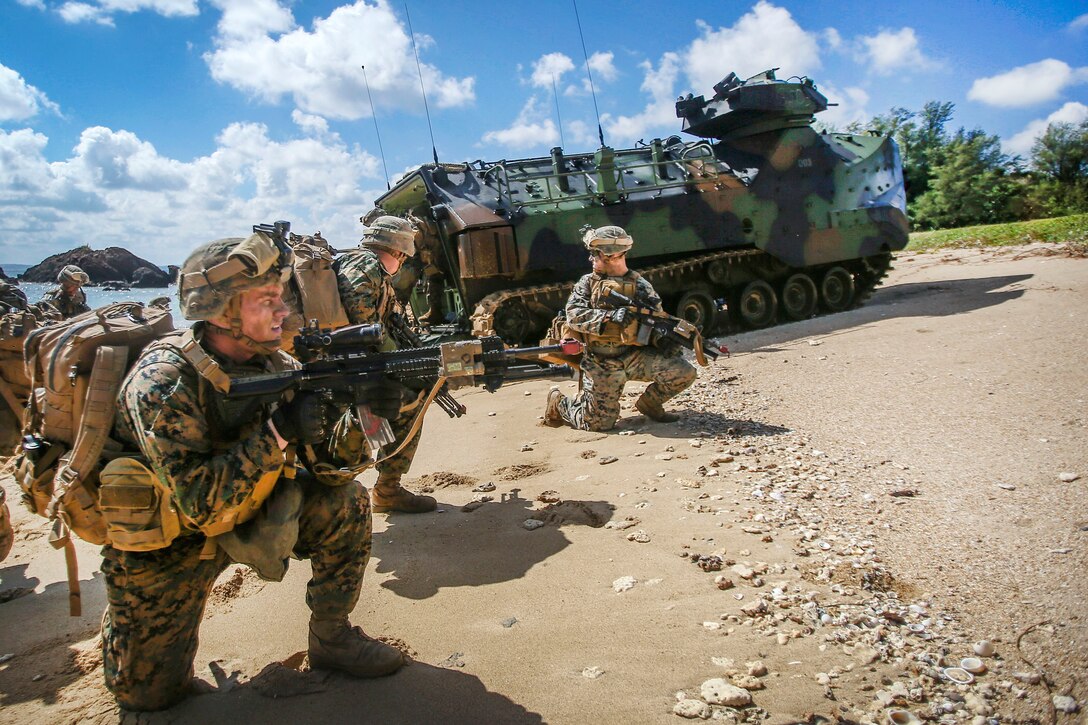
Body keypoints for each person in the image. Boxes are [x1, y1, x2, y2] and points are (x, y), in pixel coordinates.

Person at [102, 232, 406, 711]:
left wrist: (365, 414)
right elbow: (200, 505)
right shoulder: (162, 381)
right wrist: (280, 431)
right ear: (222, 312)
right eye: (267, 300)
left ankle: (331, 637)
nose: (283, 310)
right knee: (147, 696)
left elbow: (329, 472)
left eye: (281, 296)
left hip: (250, 506)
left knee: (346, 504)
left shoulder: (278, 363)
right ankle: (130, 630)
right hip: (170, 541)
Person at [544, 225, 696, 431]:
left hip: (633, 356)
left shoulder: (640, 285)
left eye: (594, 254)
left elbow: (656, 319)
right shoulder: (587, 284)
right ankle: (558, 402)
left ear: (609, 256)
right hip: (600, 361)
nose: (591, 259)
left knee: (684, 372)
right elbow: (573, 315)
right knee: (597, 424)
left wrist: (665, 339)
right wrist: (609, 317)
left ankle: (649, 403)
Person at [334, 216, 437, 514]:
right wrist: (396, 359)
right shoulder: (364, 267)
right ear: (397, 251)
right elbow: (362, 324)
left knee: (410, 401)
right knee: (401, 408)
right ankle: (375, 490)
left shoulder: (366, 267)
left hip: (358, 366)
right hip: (350, 371)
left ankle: (385, 488)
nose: (403, 263)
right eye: (404, 257)